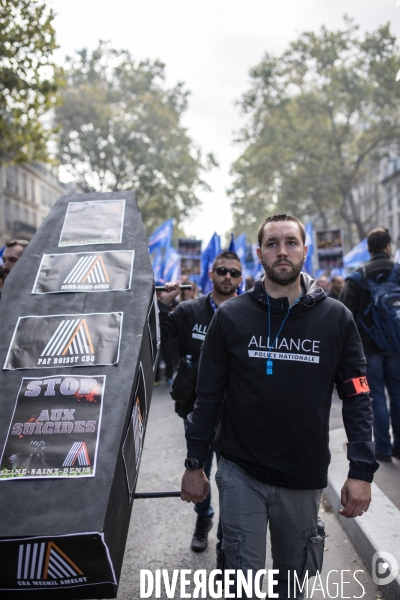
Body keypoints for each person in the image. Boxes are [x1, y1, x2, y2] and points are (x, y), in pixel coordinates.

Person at [181, 214, 378, 599]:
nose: (282, 251)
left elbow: (357, 396)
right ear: (259, 254)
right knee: (243, 586)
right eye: (272, 243)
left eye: (291, 242)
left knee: (294, 585)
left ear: (306, 250)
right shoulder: (231, 317)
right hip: (241, 472)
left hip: (302, 477)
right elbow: (207, 398)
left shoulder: (337, 318)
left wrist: (362, 471)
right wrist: (193, 463)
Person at [159, 251, 243, 559]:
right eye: (222, 270)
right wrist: (165, 303)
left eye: (234, 273)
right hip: (196, 410)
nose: (227, 277)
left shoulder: (249, 312)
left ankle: (225, 536)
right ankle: (203, 518)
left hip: (237, 415)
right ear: (211, 273)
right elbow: (154, 336)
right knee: (199, 469)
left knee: (233, 480)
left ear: (240, 278)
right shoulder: (188, 311)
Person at [341, 227, 400, 462]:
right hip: (397, 346)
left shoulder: (359, 276)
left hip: (369, 347)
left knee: (375, 397)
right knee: (397, 395)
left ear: (368, 249)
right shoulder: (398, 272)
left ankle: (383, 448)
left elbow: (345, 314)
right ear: (388, 247)